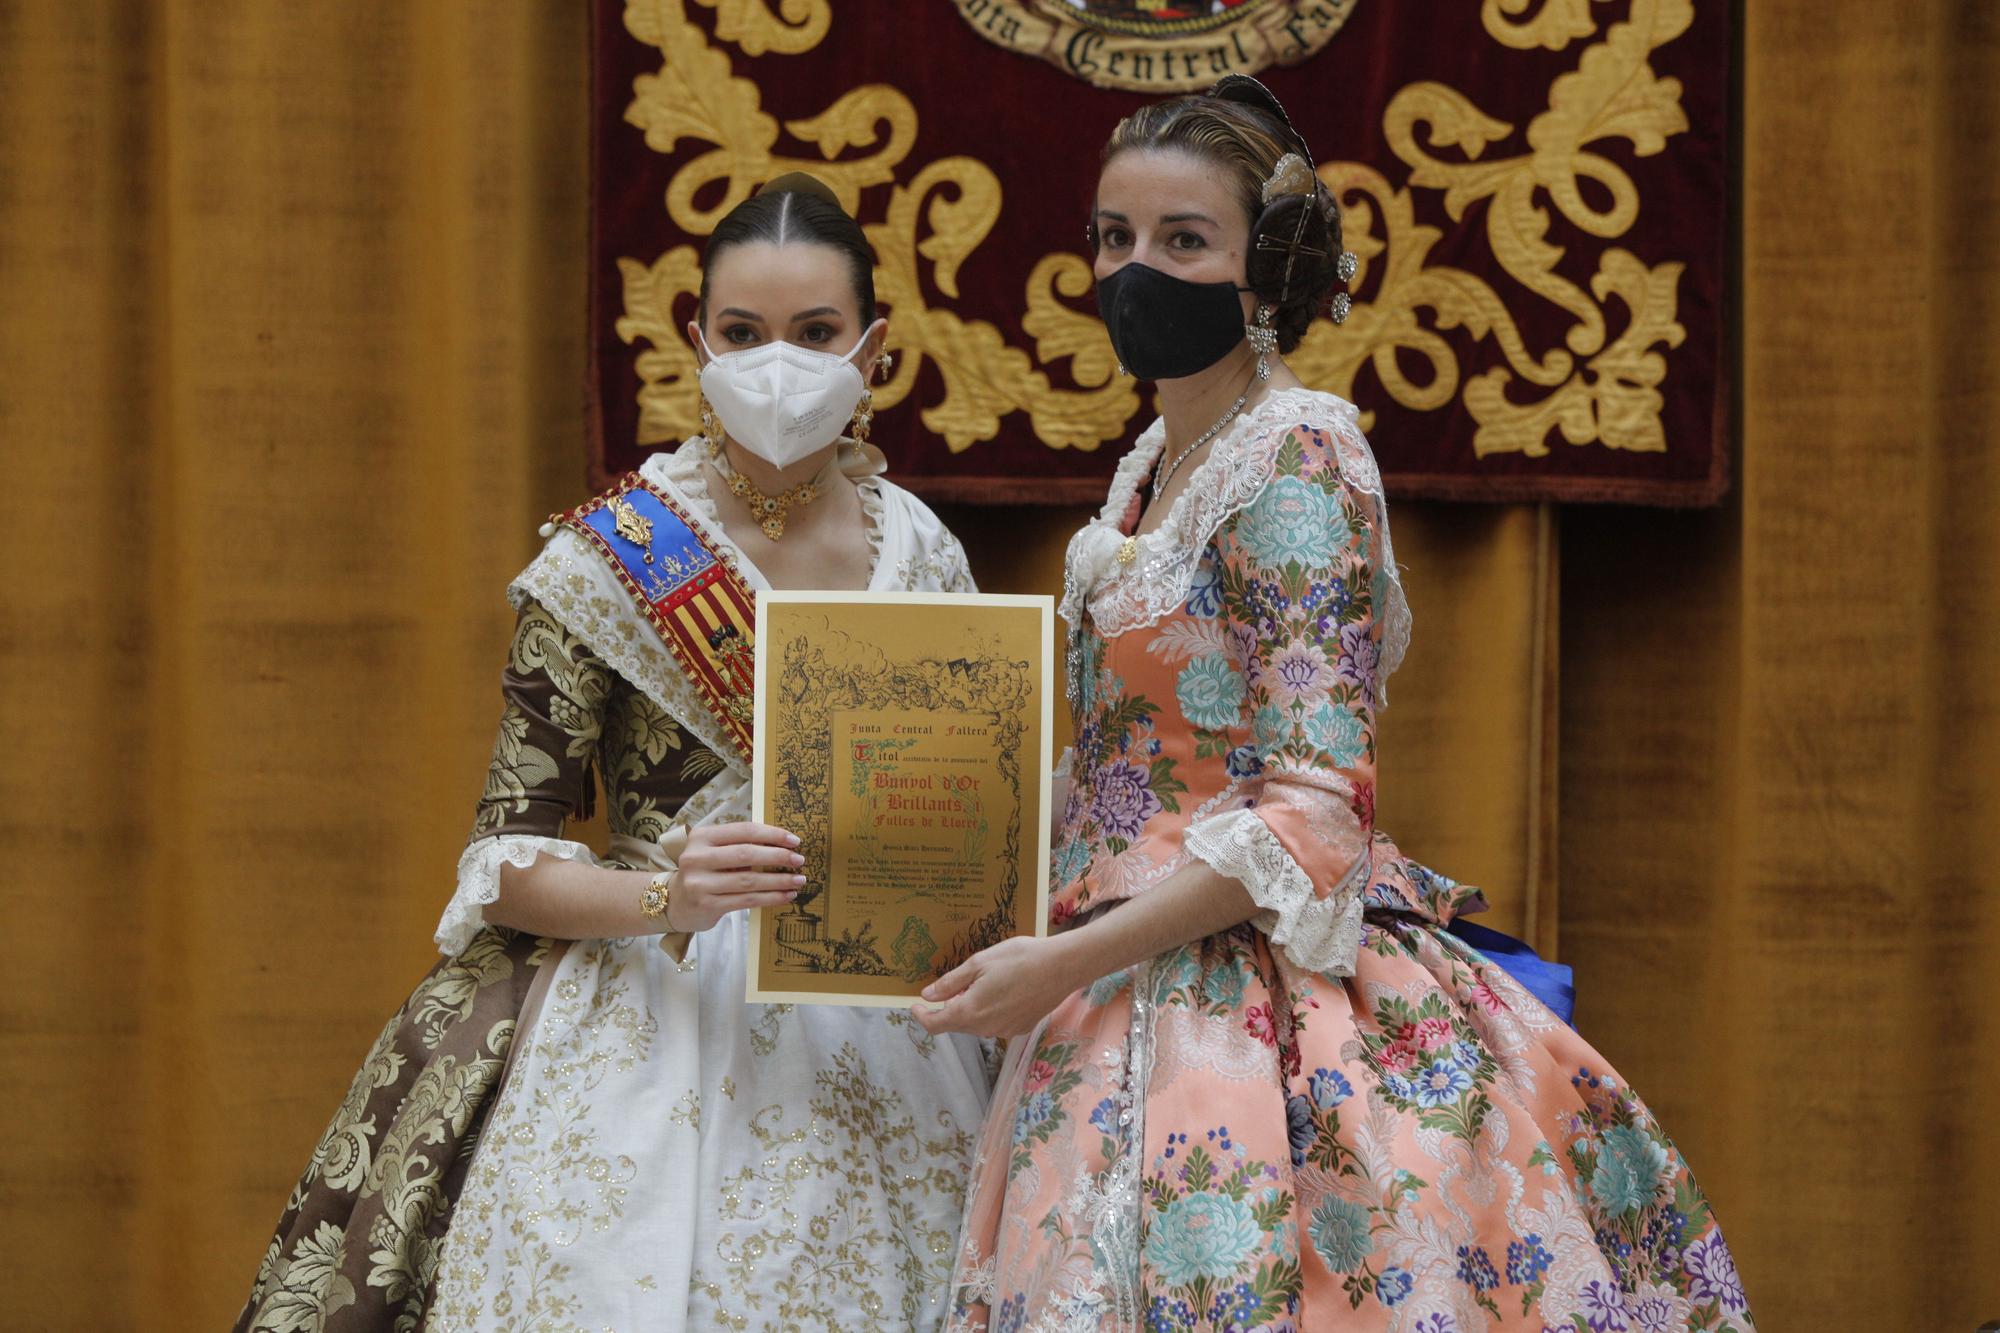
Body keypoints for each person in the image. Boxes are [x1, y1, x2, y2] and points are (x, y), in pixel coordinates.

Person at [917, 79, 1756, 1333]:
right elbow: (1122, 767)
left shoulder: (1298, 454)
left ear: (1268, 272)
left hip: (1239, 996)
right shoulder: (1151, 466)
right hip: (1102, 971)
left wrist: (1063, 959)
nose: (1133, 268)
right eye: (1112, 236)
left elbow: (1312, 816)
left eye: (1181, 240)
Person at [239, 174, 993, 1333]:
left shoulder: (925, 553)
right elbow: (505, 862)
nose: (775, 363)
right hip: (650, 1014)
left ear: (873, 350)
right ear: (694, 340)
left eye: (814, 333)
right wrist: (668, 893)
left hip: (882, 1017)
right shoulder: (608, 559)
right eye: (742, 333)